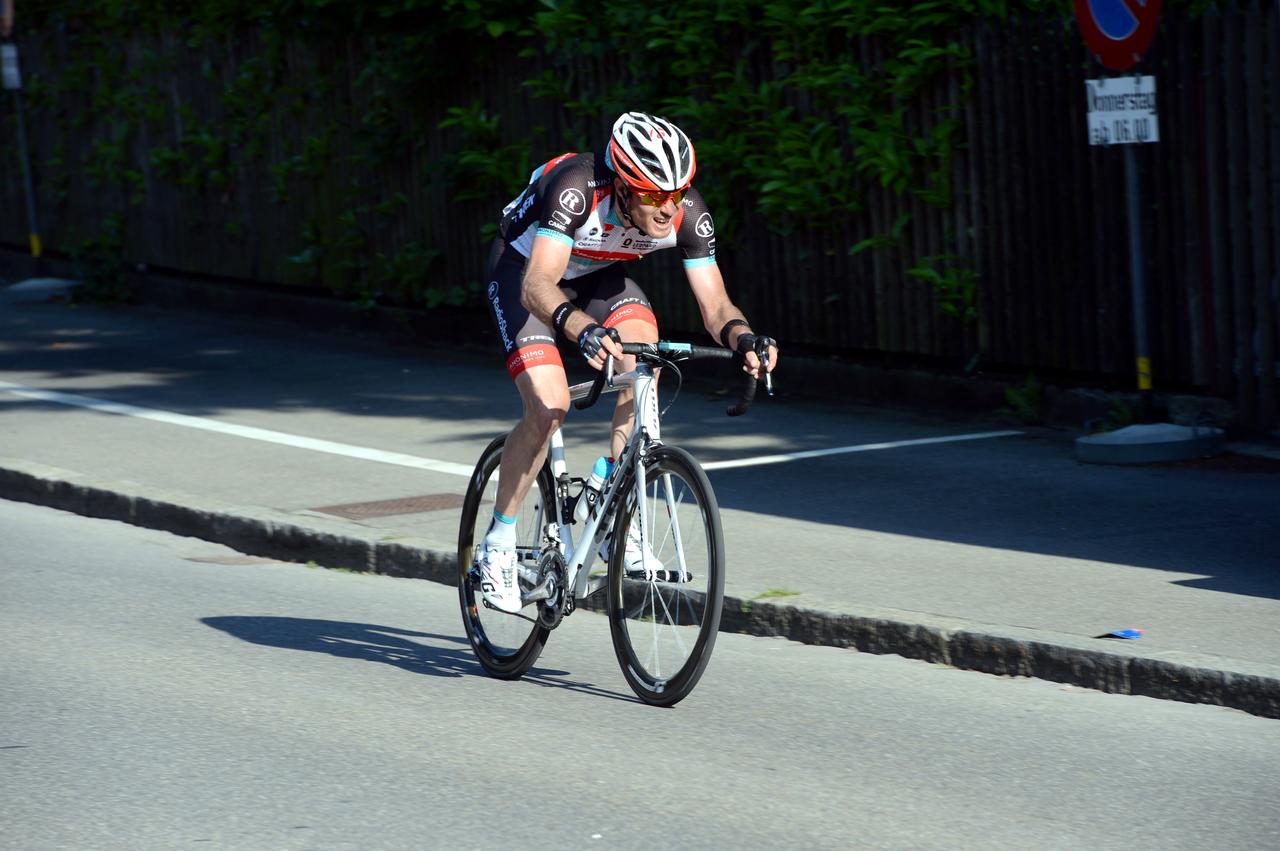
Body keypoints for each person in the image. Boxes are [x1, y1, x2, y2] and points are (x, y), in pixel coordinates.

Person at [477, 111, 778, 613]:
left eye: (677, 194)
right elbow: (538, 286)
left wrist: (744, 337)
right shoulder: (576, 187)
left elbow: (716, 307)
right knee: (549, 406)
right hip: (527, 274)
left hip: (599, 276)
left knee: (646, 356)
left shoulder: (685, 212)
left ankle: (618, 499)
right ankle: (498, 543)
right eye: (654, 196)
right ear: (621, 186)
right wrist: (581, 329)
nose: (668, 209)